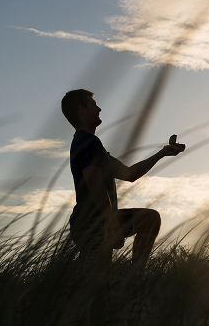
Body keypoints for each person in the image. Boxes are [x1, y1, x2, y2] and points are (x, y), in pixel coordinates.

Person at [61, 89, 185, 271]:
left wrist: (162, 153)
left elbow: (129, 174)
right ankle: (133, 281)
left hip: (93, 221)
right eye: (94, 105)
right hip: (91, 223)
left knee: (149, 219)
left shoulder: (94, 145)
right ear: (81, 109)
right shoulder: (86, 141)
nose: (99, 109)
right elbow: (94, 184)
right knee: (94, 281)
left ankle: (133, 280)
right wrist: (112, 222)